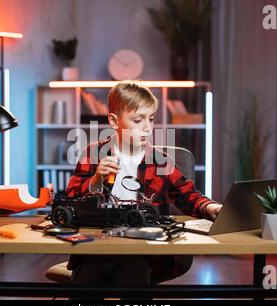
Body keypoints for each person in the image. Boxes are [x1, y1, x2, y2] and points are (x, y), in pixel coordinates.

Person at [65, 81, 223, 287]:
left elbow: (186, 196)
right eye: (138, 120)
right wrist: (96, 180)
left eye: (151, 119)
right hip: (98, 246)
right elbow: (70, 200)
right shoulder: (94, 153)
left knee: (134, 271)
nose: (148, 129)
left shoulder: (160, 161)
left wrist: (210, 207)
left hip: (141, 247)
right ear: (114, 120)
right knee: (86, 286)